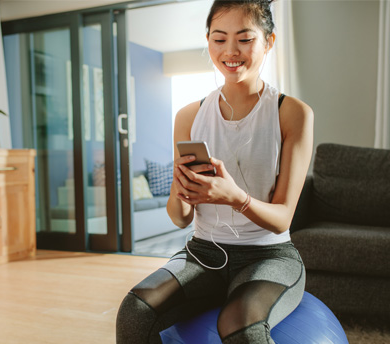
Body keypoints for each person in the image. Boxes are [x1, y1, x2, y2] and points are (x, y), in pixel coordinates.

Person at [116, 0, 313, 342]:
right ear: (208, 41)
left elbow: (282, 218)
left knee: (239, 326)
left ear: (269, 41)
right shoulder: (189, 116)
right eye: (219, 39)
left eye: (245, 38)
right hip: (202, 252)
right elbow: (180, 219)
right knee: (134, 312)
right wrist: (181, 192)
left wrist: (235, 197)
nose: (231, 51)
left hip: (269, 254)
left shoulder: (291, 113)